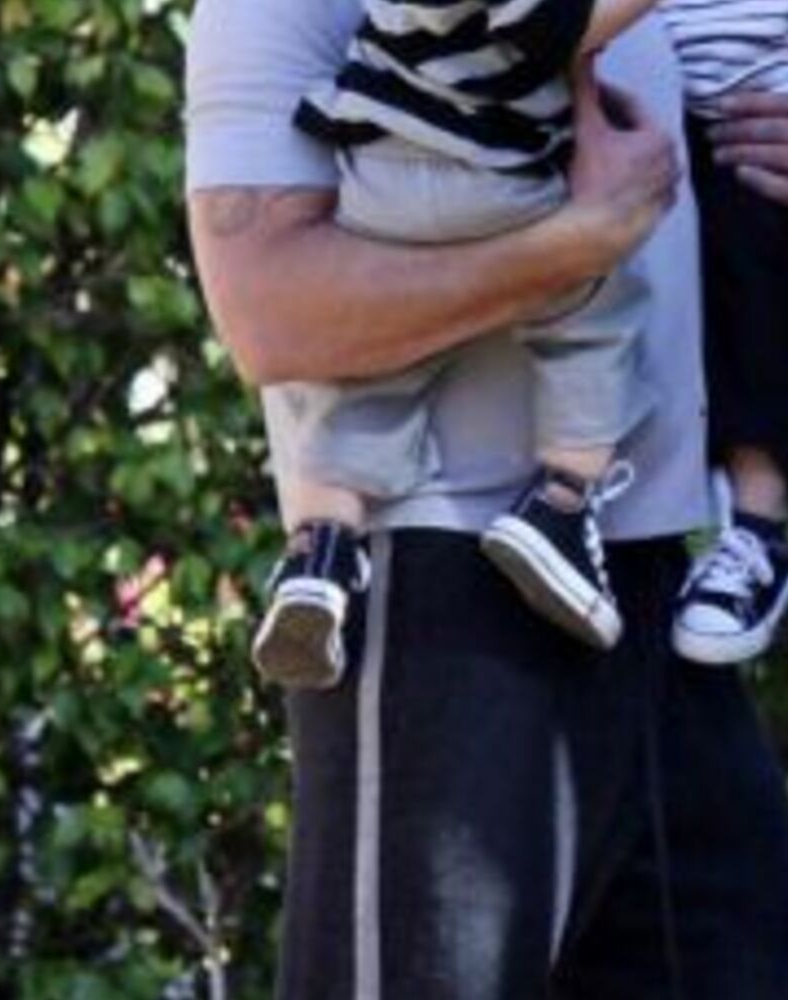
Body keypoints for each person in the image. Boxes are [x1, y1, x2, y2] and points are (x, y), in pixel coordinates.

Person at [184, 0, 788, 994]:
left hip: (655, 590)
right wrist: (570, 247)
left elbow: (714, 193)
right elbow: (270, 314)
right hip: (438, 588)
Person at [250, 0, 684, 691]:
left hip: (381, 177)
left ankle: (320, 551)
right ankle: (562, 504)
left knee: (370, 372)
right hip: (490, 179)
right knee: (596, 310)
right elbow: (565, 26)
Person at [661, 0, 788, 665]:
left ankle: (756, 526)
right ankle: (579, 486)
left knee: (755, 289)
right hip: (653, 114)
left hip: (765, 122)